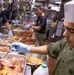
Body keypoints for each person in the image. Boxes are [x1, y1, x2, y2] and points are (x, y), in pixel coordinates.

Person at [11, 1, 74, 75]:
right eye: (65, 28)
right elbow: (49, 48)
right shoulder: (65, 43)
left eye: (71, 30)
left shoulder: (43, 18)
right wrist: (28, 48)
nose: (64, 34)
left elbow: (39, 27)